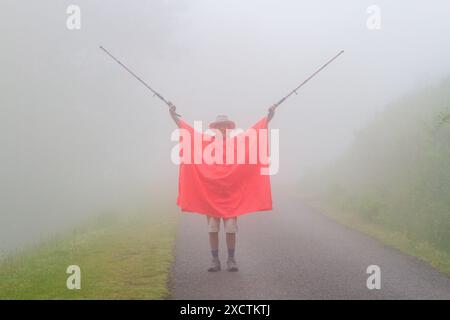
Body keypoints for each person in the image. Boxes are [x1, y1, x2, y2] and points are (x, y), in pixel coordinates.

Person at [169, 103, 276, 272]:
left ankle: (231, 259)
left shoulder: (237, 142)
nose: (222, 129)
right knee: (212, 227)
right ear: (215, 128)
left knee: (231, 228)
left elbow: (255, 132)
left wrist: (268, 117)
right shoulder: (206, 142)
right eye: (219, 126)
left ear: (229, 128)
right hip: (210, 194)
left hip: (231, 195)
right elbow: (187, 132)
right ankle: (214, 260)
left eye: (225, 126)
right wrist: (173, 115)